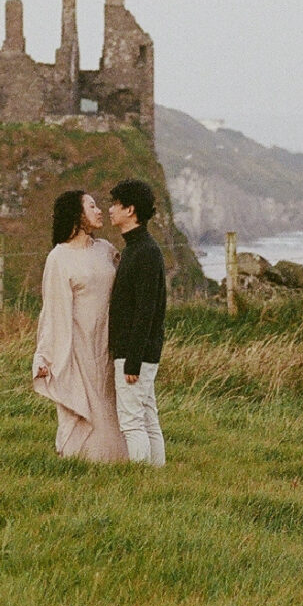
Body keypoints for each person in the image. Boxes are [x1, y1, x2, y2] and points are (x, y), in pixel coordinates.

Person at [29, 190, 128, 462]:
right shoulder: (59, 258)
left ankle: (120, 462)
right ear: (77, 215)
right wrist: (45, 355)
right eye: (92, 206)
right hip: (78, 347)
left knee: (110, 409)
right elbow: (53, 311)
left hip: (107, 344)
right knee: (84, 409)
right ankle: (78, 460)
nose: (99, 211)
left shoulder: (107, 250)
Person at [105, 178, 167, 467]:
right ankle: (156, 477)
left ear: (130, 210)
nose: (109, 210)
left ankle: (141, 480)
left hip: (134, 354)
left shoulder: (144, 251)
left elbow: (146, 310)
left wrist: (132, 360)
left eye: (115, 205)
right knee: (147, 416)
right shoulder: (137, 248)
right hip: (139, 352)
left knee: (132, 422)